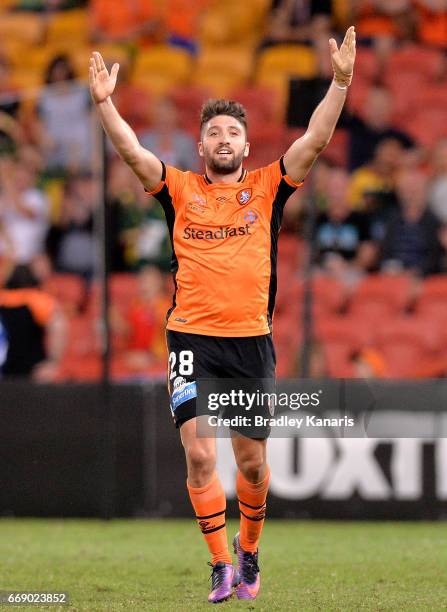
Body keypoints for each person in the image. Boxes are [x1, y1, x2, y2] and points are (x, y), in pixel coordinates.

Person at [88, 25, 356, 603]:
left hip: (249, 341)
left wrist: (339, 81)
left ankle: (250, 552)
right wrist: (106, 103)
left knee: (253, 467)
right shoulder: (178, 189)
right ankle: (218, 563)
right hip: (191, 338)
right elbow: (133, 152)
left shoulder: (267, 188)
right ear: (201, 146)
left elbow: (314, 138)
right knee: (201, 451)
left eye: (234, 130)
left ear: (246, 144)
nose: (224, 137)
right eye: (213, 132)